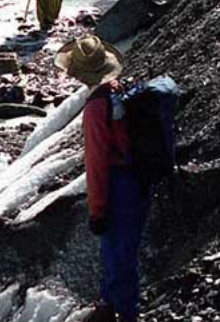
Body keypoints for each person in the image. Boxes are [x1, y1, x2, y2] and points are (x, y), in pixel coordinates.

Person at [54, 36, 149, 322]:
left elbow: (96, 164)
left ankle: (124, 312)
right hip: (138, 175)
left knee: (115, 251)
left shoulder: (96, 108)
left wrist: (96, 210)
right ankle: (112, 306)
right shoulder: (118, 90)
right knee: (127, 248)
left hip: (118, 182)